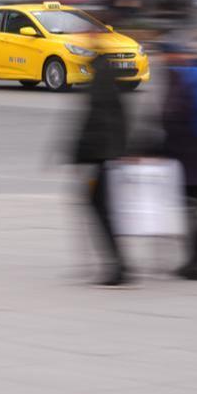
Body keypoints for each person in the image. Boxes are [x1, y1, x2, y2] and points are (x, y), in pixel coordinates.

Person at [157, 42, 197, 280]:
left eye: (165, 54)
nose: (163, 59)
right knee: (196, 215)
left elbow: (172, 119)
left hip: (188, 163)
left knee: (191, 214)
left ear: (175, 55)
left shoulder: (183, 82)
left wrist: (158, 149)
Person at [72, 52, 131, 287]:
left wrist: (79, 156)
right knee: (104, 210)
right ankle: (119, 264)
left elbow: (93, 126)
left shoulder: (100, 87)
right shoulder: (112, 86)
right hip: (107, 159)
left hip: (100, 161)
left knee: (100, 209)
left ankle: (118, 266)